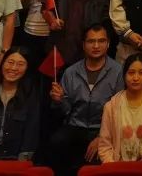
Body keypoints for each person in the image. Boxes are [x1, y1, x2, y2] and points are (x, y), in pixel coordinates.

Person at [46, 24, 123, 176]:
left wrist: (101, 137)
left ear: (108, 44)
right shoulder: (71, 72)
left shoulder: (117, 71)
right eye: (91, 41)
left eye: (101, 41)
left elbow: (120, 110)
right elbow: (65, 111)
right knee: (55, 143)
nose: (96, 46)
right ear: (83, 44)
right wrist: (59, 100)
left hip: (102, 129)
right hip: (75, 126)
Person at [97, 53, 142, 163]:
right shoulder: (111, 107)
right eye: (131, 73)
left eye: (141, 73)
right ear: (124, 75)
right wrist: (114, 167)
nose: (136, 78)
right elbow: (104, 146)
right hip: (119, 167)